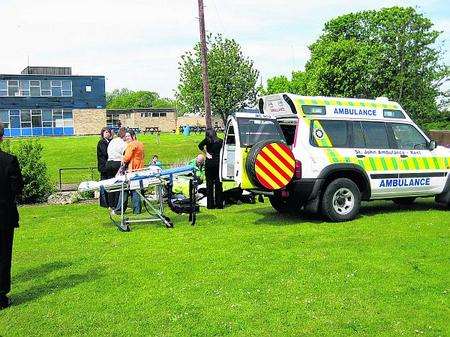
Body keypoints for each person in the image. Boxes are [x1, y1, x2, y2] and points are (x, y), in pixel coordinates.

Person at [0, 121, 24, 310]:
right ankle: (1, 295)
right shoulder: (9, 161)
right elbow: (17, 188)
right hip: (4, 214)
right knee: (3, 255)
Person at [113, 130, 145, 216]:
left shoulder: (132, 144)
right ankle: (137, 210)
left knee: (124, 189)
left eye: (128, 136)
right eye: (126, 136)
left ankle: (119, 210)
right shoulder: (140, 144)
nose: (127, 138)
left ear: (133, 136)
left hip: (132, 170)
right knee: (135, 190)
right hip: (139, 169)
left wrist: (121, 159)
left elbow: (126, 158)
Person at [198, 128, 223, 209]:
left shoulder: (207, 141)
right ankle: (219, 204)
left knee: (209, 185)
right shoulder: (220, 141)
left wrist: (206, 153)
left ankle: (210, 205)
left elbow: (200, 146)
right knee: (218, 184)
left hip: (209, 163)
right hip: (218, 163)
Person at [105, 127, 126, 209]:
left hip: (109, 163)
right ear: (124, 136)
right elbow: (124, 153)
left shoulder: (112, 141)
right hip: (117, 163)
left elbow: (108, 151)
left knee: (111, 184)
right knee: (118, 185)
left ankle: (111, 205)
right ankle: (117, 204)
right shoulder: (123, 143)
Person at [97, 127, 111, 207]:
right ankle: (104, 203)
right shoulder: (102, 142)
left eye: (108, 132)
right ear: (102, 133)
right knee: (104, 184)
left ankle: (109, 201)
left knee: (108, 184)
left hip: (108, 166)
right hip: (104, 166)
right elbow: (105, 153)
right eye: (106, 132)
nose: (107, 134)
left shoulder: (109, 141)